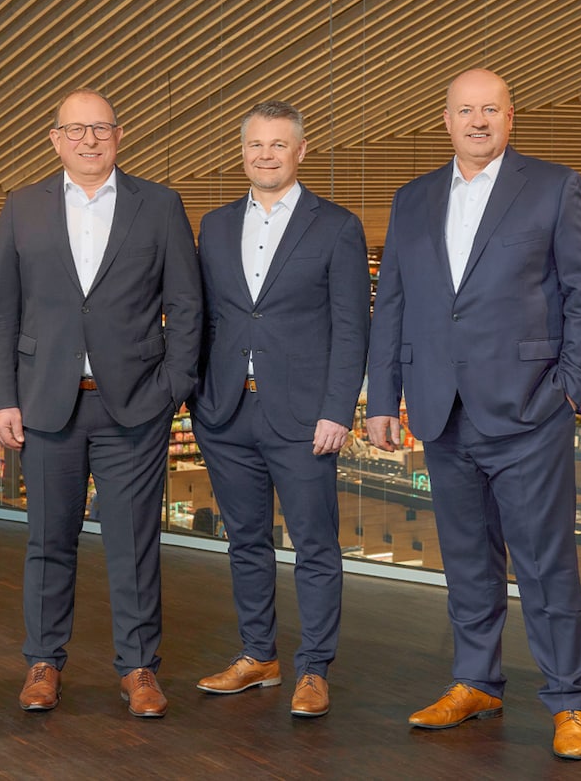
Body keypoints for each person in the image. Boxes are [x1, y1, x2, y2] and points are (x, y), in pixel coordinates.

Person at [365, 68, 581, 760]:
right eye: (465, 110)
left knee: (544, 563)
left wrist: (569, 388)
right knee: (469, 560)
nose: (478, 121)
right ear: (444, 119)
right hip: (441, 411)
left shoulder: (552, 186)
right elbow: (395, 306)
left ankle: (569, 701)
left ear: (511, 118)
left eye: (491, 110)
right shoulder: (411, 200)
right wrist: (383, 398)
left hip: (530, 409)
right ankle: (475, 681)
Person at [0, 88, 201, 718]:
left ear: (119, 135)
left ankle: (138, 669)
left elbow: (186, 306)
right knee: (49, 541)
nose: (88, 140)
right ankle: (43, 662)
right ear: (54, 139)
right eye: (75, 130)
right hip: (46, 404)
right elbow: (0, 312)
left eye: (99, 129)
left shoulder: (159, 205)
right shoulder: (22, 207)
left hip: (133, 405)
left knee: (134, 544)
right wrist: (4, 398)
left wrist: (172, 387)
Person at [189, 101, 369, 718]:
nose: (265, 155)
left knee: (315, 545)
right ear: (242, 152)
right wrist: (197, 400)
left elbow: (352, 327)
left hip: (303, 418)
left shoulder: (337, 226)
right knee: (245, 541)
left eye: (277, 145)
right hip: (225, 412)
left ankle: (314, 668)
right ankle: (258, 656)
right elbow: (204, 319)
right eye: (254, 145)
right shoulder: (212, 225)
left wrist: (338, 409)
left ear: (301, 151)